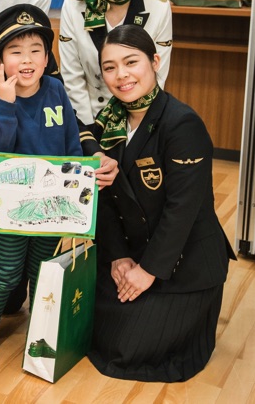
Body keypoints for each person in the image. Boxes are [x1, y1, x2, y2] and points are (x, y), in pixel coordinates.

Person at [88, 24, 235, 382]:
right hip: (135, 247)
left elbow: (182, 211)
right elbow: (106, 200)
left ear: (155, 61)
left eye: (131, 62)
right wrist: (119, 256)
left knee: (130, 349)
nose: (121, 75)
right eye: (109, 67)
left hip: (183, 258)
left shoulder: (181, 123)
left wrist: (148, 271)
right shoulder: (109, 123)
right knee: (93, 326)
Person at [0, 4, 83, 365]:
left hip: (52, 206)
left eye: (36, 50)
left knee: (42, 272)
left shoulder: (56, 90)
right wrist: (7, 103)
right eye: (16, 52)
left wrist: (78, 190)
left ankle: (39, 329)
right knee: (5, 273)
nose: (27, 59)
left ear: (47, 56)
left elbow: (72, 145)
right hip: (9, 209)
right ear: (0, 59)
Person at [59, 0, 173, 126]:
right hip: (87, 118)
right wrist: (88, 132)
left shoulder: (158, 8)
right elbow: (72, 78)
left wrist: (135, 128)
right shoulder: (74, 6)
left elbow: (157, 78)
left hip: (137, 119)